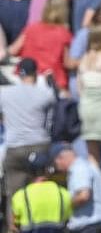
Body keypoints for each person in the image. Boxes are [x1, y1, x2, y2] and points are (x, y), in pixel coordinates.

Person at [0, 58, 55, 222]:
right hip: (39, 146)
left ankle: (16, 232)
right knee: (40, 188)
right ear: (36, 74)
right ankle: (41, 223)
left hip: (14, 147)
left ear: (18, 74)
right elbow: (52, 119)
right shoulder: (46, 94)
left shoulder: (5, 93)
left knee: (15, 193)